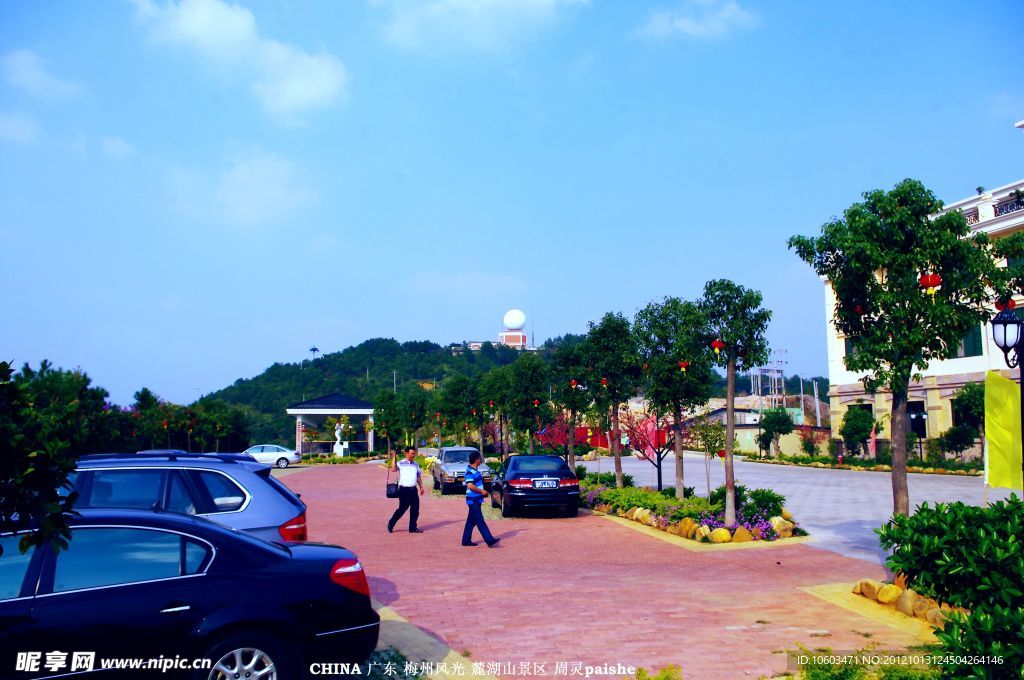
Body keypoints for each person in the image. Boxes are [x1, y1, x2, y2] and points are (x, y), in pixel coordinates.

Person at [462, 451, 499, 547]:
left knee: (471, 521)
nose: (481, 460)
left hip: (477, 499)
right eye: (479, 458)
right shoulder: (470, 471)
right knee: (479, 520)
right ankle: (489, 539)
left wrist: (483, 493)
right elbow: (470, 485)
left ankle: (465, 540)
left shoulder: (475, 470)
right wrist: (482, 492)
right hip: (473, 499)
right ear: (476, 459)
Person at [387, 447, 424, 534]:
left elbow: (418, 476)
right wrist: (394, 457)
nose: (413, 455)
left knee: (415, 510)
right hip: (404, 490)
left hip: (413, 490)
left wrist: (421, 486)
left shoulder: (415, 464)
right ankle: (391, 523)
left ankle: (412, 528)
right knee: (402, 509)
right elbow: (393, 469)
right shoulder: (401, 463)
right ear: (406, 453)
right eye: (411, 453)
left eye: (414, 454)